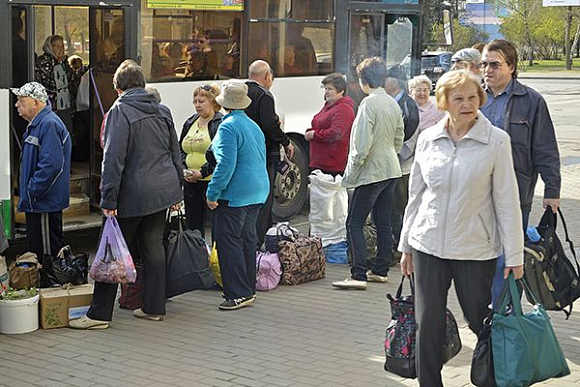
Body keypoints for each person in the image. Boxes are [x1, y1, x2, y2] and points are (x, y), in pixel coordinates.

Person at [398, 70, 524, 387]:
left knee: (481, 320)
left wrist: (515, 255)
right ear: (444, 102)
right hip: (428, 246)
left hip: (475, 248)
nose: (467, 104)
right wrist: (405, 245)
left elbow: (507, 202)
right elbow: (416, 195)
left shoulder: (496, 141)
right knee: (427, 323)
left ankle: (490, 378)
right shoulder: (428, 139)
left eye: (472, 97)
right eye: (459, 99)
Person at [69, 60, 183, 329]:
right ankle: (154, 307)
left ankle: (99, 315)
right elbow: (174, 151)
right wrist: (177, 188)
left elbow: (113, 159)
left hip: (132, 194)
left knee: (110, 249)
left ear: (117, 87)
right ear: (142, 85)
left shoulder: (119, 111)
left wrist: (108, 199)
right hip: (162, 190)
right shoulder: (162, 110)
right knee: (153, 246)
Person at [480, 39, 561, 303]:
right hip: (475, 195)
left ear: (512, 67)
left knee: (508, 258)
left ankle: (501, 315)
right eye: (484, 64)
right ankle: (486, 312)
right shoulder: (474, 98)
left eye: (494, 64)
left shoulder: (531, 101)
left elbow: (545, 148)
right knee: (479, 258)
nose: (487, 70)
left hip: (515, 194)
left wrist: (552, 190)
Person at [332, 57, 404, 290]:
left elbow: (361, 146)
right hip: (391, 168)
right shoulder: (392, 102)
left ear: (364, 81)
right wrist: (389, 155)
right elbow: (398, 137)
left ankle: (358, 274)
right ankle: (381, 269)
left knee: (354, 222)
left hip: (371, 172)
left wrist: (350, 173)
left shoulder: (368, 104)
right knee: (383, 221)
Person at [207, 81, 269, 310]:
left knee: (228, 242)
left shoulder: (227, 127)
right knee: (246, 240)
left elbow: (225, 165)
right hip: (258, 190)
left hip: (235, 193)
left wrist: (212, 192)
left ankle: (237, 293)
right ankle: (248, 289)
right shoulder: (252, 125)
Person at [11, 82, 71, 267]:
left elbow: (51, 166)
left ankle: (50, 288)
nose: (16, 105)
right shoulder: (39, 124)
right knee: (39, 251)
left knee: (47, 256)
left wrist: (32, 191)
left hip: (44, 203)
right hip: (38, 203)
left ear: (35, 103)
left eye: (21, 101)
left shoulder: (48, 124)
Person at [245, 60, 294, 245]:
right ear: (267, 77)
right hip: (264, 154)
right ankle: (259, 240)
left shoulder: (240, 92)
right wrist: (286, 141)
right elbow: (270, 124)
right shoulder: (264, 95)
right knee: (264, 198)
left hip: (246, 154)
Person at [179, 84, 223, 238]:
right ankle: (196, 256)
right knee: (193, 225)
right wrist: (184, 168)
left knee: (217, 225)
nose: (197, 105)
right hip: (191, 181)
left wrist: (203, 172)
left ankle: (217, 259)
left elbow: (220, 155)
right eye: (195, 101)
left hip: (211, 181)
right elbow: (181, 149)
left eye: (202, 101)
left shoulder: (219, 123)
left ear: (213, 102)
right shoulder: (190, 122)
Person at [385, 64, 419, 255]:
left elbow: (409, 138)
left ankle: (402, 245)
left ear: (396, 82)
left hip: (401, 166)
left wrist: (392, 156)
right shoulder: (390, 101)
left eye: (387, 79)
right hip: (390, 163)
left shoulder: (408, 104)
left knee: (400, 208)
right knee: (390, 209)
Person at [304, 72, 355, 176]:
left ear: (340, 91)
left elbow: (335, 133)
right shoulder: (329, 105)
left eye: (330, 89)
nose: (326, 92)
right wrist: (310, 131)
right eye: (325, 89)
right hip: (321, 162)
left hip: (332, 164)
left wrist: (314, 135)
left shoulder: (344, 109)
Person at [35, 35, 75, 133]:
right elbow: (43, 83)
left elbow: (71, 81)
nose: (60, 49)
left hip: (65, 105)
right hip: (51, 106)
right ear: (50, 47)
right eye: (56, 46)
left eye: (62, 46)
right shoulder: (43, 62)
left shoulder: (65, 63)